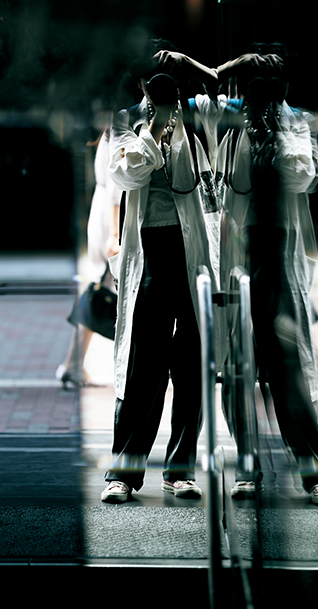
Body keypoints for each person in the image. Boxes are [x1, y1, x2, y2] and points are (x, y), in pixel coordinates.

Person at [217, 46, 318, 506]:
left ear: (286, 88)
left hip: (281, 256)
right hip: (238, 255)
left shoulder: (296, 123)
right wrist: (230, 74)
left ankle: (314, 472)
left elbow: (301, 175)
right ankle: (247, 465)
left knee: (292, 367)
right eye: (255, 85)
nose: (262, 93)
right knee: (237, 368)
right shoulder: (228, 121)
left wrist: (272, 121)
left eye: (271, 84)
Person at [101, 42, 223, 503]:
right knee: (143, 367)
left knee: (191, 366)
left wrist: (192, 67)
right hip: (150, 251)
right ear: (139, 83)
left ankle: (180, 469)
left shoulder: (198, 114)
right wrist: (154, 126)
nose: (163, 87)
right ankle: (123, 472)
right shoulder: (126, 119)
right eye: (154, 79)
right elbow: (126, 176)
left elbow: (224, 92)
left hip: (194, 253)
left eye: (168, 79)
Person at [55, 129, 121, 388]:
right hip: (110, 220)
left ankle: (73, 364)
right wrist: (115, 234)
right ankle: (72, 365)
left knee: (97, 292)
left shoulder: (109, 132)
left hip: (103, 215)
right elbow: (117, 189)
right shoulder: (120, 130)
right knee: (99, 294)